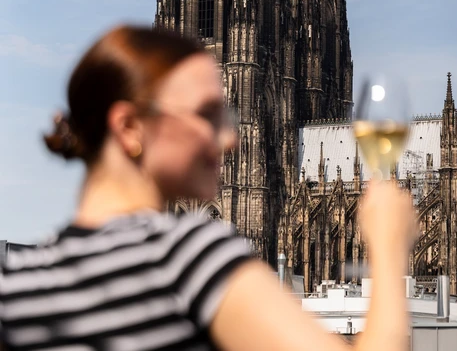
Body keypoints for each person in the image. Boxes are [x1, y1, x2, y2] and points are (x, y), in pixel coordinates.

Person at [0, 25, 417, 351]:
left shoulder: (19, 280)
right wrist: (387, 248)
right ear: (130, 128)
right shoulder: (187, 260)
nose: (231, 138)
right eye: (207, 114)